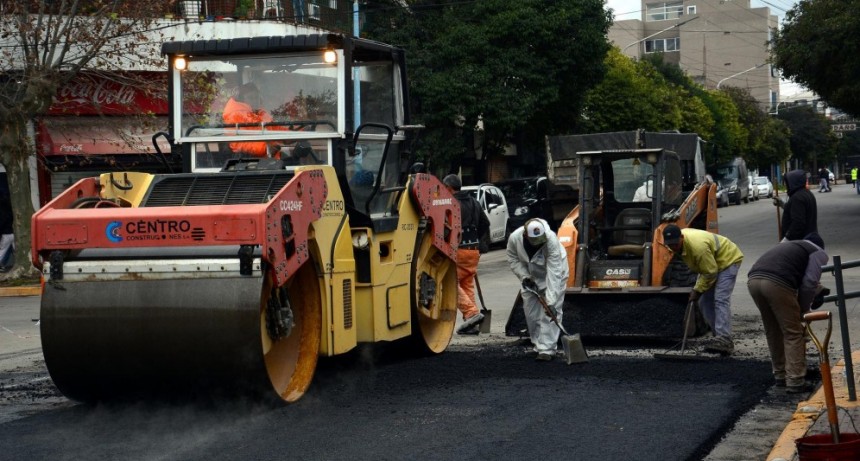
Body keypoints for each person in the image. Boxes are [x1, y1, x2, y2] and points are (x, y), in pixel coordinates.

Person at [748, 233, 828, 393]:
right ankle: (796, 380)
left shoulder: (790, 246)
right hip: (777, 283)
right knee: (793, 333)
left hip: (753, 280)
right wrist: (804, 310)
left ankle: (780, 375)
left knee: (773, 331)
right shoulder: (817, 251)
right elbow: (809, 283)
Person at [661, 225, 743, 355]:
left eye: (675, 244)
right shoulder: (676, 243)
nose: (673, 247)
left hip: (728, 260)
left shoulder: (698, 247)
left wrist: (697, 290)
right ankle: (719, 337)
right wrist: (698, 290)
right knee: (704, 302)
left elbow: (710, 273)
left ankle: (724, 339)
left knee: (720, 299)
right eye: (670, 245)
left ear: (681, 237)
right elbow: (706, 269)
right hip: (711, 263)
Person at [506, 218, 570, 361]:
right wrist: (524, 276)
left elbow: (554, 271)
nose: (539, 244)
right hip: (530, 276)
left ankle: (547, 349)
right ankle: (538, 344)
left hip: (552, 275)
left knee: (548, 314)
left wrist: (552, 301)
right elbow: (512, 258)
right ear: (525, 236)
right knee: (531, 313)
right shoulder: (514, 238)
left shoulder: (550, 239)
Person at [443, 174, 490, 335]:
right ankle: (472, 323)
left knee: (448, 283)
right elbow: (485, 223)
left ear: (449, 188)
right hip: (473, 250)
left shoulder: (451, 204)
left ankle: (471, 313)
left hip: (459, 250)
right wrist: (478, 241)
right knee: (466, 284)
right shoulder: (474, 202)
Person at [222, 82, 285, 157]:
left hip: (272, 158)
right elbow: (237, 143)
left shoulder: (261, 114)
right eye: (251, 98)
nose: (255, 100)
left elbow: (277, 129)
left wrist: (292, 133)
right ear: (243, 100)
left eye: (257, 97)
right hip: (252, 162)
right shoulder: (235, 116)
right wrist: (265, 148)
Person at [773, 169, 818, 242]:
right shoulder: (807, 194)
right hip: (808, 239)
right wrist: (782, 203)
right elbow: (796, 211)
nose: (786, 186)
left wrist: (786, 240)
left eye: (787, 183)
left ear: (793, 182)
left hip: (799, 242)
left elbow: (798, 223)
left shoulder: (797, 198)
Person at [0, 178, 12, 271]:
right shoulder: (9, 207)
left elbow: (2, 221)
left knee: (3, 250)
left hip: (7, 232)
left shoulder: (3, 210)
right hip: (13, 231)